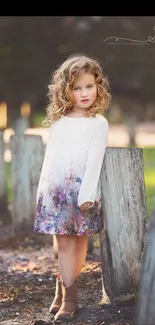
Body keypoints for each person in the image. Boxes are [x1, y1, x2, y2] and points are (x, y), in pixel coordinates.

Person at [33, 53, 111, 322]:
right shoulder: (58, 121)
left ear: (98, 86)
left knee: (80, 247)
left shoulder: (98, 124)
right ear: (66, 91)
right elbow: (50, 161)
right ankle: (70, 299)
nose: (84, 93)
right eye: (77, 88)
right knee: (64, 245)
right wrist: (45, 196)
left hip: (83, 193)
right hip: (57, 193)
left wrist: (87, 195)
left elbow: (94, 161)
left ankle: (61, 285)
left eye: (89, 86)